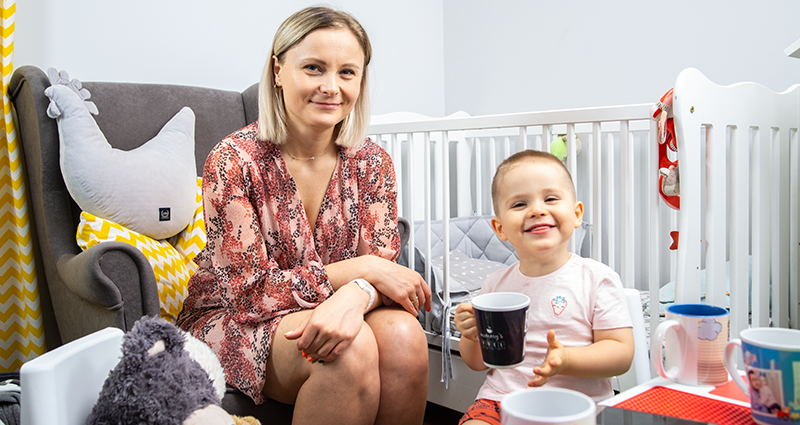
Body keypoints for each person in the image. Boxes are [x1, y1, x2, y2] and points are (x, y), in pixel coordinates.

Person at [176, 7, 432, 425]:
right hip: (235, 319)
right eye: (314, 68)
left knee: (406, 337)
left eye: (347, 73)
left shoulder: (373, 162)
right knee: (349, 350)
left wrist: (356, 292)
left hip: (340, 305)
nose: (331, 87)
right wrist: (360, 271)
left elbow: (385, 276)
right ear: (278, 70)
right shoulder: (233, 160)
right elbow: (249, 295)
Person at [453, 150, 635, 425]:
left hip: (578, 408)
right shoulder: (494, 286)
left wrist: (567, 359)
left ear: (576, 215)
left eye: (550, 199)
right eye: (519, 204)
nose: (537, 210)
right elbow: (478, 363)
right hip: (501, 400)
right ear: (500, 228)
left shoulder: (597, 279)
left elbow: (621, 354)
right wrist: (470, 336)